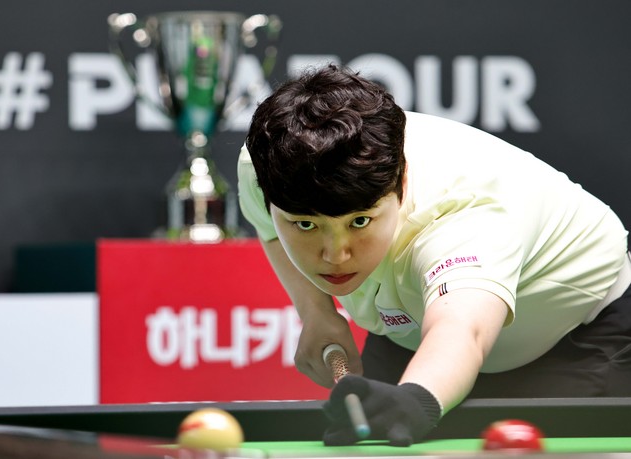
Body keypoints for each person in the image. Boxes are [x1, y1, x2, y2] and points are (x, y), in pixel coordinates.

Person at [237, 64, 631, 446]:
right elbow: (269, 227)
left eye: (360, 221)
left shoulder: (464, 212)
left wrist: (416, 400)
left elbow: (463, 329)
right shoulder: (269, 163)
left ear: (402, 181)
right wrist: (316, 313)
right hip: (413, 336)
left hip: (577, 340)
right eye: (306, 225)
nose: (336, 255)